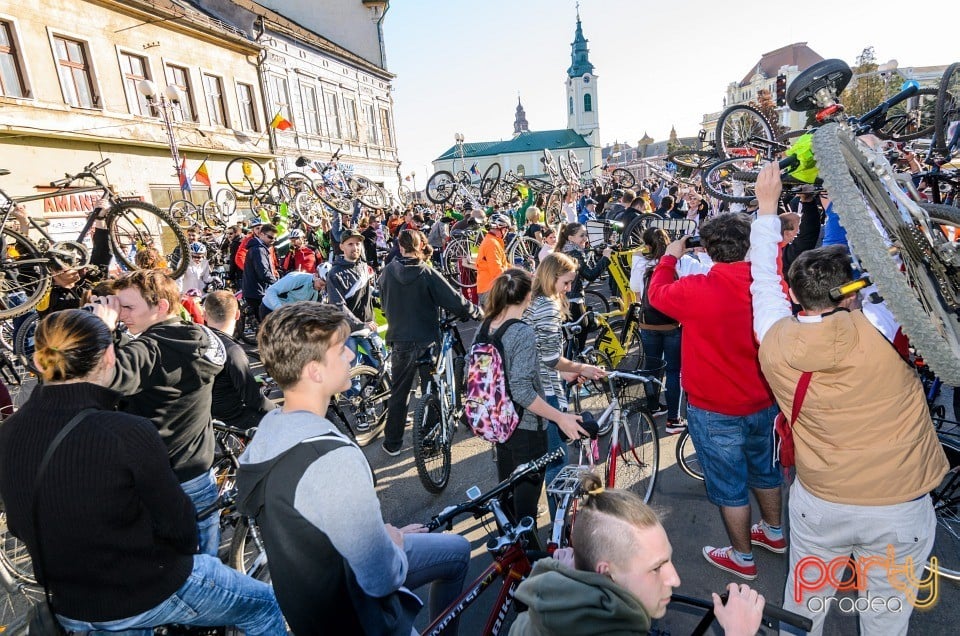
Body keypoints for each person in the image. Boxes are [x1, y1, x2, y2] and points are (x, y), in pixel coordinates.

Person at [750, 163, 948, 635]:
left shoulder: (773, 337)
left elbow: (761, 277)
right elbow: (907, 265)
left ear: (797, 297)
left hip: (822, 502)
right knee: (885, 620)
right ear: (853, 292)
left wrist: (766, 207)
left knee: (803, 612)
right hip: (900, 508)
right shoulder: (884, 325)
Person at [0, 309, 284, 634]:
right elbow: (179, 526)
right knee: (264, 604)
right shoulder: (126, 431)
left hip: (69, 604)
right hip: (142, 592)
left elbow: (19, 525)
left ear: (38, 362)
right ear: (109, 356)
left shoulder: (9, 432)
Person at [236, 303, 470, 635]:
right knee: (460, 553)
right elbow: (381, 578)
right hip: (358, 616)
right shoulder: (330, 459)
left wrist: (378, 535)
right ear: (315, 371)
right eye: (340, 348)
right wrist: (393, 543)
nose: (350, 356)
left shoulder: (269, 433)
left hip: (312, 613)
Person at [646, 213, 782, 580]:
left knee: (728, 486)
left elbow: (656, 295)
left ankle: (742, 556)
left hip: (713, 407)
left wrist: (670, 256)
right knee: (766, 470)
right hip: (763, 399)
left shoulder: (696, 289)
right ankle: (774, 531)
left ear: (707, 250)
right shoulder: (768, 283)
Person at [510, 473, 765, 636]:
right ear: (606, 574)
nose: (674, 579)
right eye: (656, 568)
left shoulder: (537, 612)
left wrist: (568, 574)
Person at [89, 269, 227, 557]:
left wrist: (101, 329)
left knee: (184, 579)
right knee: (208, 572)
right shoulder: (193, 336)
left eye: (128, 306)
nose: (122, 314)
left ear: (161, 306)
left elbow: (102, 376)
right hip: (198, 473)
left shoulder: (153, 348)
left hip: (167, 485)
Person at [481, 269, 587, 532]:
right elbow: (522, 390)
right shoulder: (522, 332)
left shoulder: (487, 325)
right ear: (529, 295)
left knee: (506, 496)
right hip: (526, 427)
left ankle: (507, 557)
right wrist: (559, 417)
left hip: (499, 422)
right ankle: (525, 561)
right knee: (525, 509)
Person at [379, 230, 482, 456]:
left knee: (399, 391)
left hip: (399, 339)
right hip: (425, 338)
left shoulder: (387, 272)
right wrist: (476, 311)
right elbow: (454, 299)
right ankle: (429, 437)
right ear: (419, 246)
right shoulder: (426, 272)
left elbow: (383, 302)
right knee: (432, 387)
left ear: (400, 246)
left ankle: (392, 442)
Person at [525, 254, 606, 500]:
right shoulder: (548, 306)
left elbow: (539, 352)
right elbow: (550, 358)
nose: (569, 288)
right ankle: (558, 531)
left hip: (534, 386)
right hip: (546, 390)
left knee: (540, 457)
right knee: (557, 462)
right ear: (552, 277)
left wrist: (566, 372)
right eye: (566, 282)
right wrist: (581, 368)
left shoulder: (533, 300)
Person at [203, 290, 276, 430]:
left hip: (202, 418)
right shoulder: (232, 351)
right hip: (231, 419)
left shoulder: (194, 342)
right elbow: (255, 400)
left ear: (205, 315)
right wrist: (282, 412)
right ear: (237, 315)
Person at [556, 222, 611, 353]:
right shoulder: (575, 253)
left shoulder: (563, 250)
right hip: (574, 300)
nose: (585, 238)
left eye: (586, 235)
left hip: (562, 301)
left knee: (570, 342)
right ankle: (577, 366)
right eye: (582, 235)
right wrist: (605, 258)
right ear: (570, 238)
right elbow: (590, 275)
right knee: (580, 341)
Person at [327, 229, 377, 333]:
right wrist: (359, 325)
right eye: (350, 244)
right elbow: (338, 305)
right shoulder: (334, 273)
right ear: (341, 247)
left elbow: (366, 294)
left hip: (369, 326)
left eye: (358, 244)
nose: (355, 248)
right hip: (347, 331)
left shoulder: (364, 266)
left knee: (380, 350)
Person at [242, 222, 279, 320]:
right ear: (261, 234)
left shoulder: (260, 248)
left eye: (275, 238)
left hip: (256, 291)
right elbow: (263, 273)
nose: (273, 240)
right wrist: (278, 284)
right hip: (258, 292)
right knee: (266, 323)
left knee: (264, 323)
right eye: (270, 237)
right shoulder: (258, 250)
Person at [262, 265, 327, 315]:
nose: (322, 288)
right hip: (270, 308)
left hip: (287, 313)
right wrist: (281, 310)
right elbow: (271, 291)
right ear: (315, 275)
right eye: (321, 284)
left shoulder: (315, 293)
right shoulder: (297, 278)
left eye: (325, 286)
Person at [476, 213, 512, 303]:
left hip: (490, 289)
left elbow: (505, 265)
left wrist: (521, 272)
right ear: (501, 228)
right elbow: (497, 272)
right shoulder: (492, 244)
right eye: (506, 229)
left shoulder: (493, 242)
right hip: (490, 290)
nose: (506, 232)